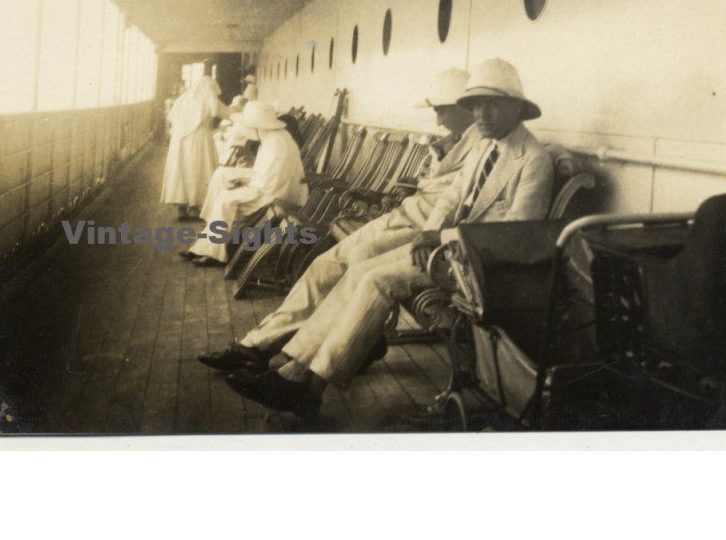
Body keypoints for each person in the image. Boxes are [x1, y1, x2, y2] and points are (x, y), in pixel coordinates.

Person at [224, 58, 554, 420]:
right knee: (358, 269)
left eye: (491, 104)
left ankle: (310, 386)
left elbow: (517, 232)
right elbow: (450, 197)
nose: (481, 114)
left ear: (516, 107)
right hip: (446, 250)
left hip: (481, 265)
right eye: (475, 104)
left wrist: (442, 237)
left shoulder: (533, 160)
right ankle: (294, 371)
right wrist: (432, 231)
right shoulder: (486, 147)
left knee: (377, 280)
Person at [197, 68, 478, 373]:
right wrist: (429, 168)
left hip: (419, 232)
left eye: (442, 111)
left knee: (349, 270)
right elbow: (438, 188)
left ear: (463, 107)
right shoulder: (460, 141)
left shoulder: (480, 146)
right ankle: (257, 344)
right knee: (323, 266)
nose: (438, 121)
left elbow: (453, 201)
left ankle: (278, 353)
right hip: (402, 216)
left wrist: (426, 195)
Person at [181, 101, 309, 266]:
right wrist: (244, 177)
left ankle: (213, 252)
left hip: (275, 194)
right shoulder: (272, 137)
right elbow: (265, 173)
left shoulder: (277, 144)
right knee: (222, 174)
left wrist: (243, 182)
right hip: (268, 183)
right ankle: (210, 236)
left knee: (225, 200)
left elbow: (268, 183)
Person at [161, 76, 231, 220]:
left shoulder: (184, 97)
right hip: (198, 137)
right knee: (197, 169)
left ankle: (181, 207)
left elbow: (171, 118)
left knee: (180, 169)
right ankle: (194, 206)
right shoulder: (209, 96)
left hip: (179, 139)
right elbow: (225, 112)